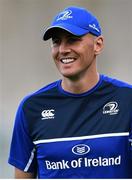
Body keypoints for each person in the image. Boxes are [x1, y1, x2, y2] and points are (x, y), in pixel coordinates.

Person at [8, 6, 132, 179]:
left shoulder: (127, 101)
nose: (63, 49)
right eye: (56, 41)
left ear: (98, 45)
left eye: (73, 40)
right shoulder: (31, 109)